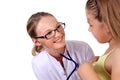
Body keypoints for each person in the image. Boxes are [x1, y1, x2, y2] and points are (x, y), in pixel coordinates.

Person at [26, 12, 94, 80]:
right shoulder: (39, 63)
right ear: (37, 41)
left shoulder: (83, 48)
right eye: (49, 33)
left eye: (58, 26)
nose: (58, 34)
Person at [78, 0, 120, 80]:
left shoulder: (118, 55)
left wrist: (87, 73)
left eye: (91, 25)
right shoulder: (112, 53)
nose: (89, 29)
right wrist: (98, 64)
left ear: (107, 25)